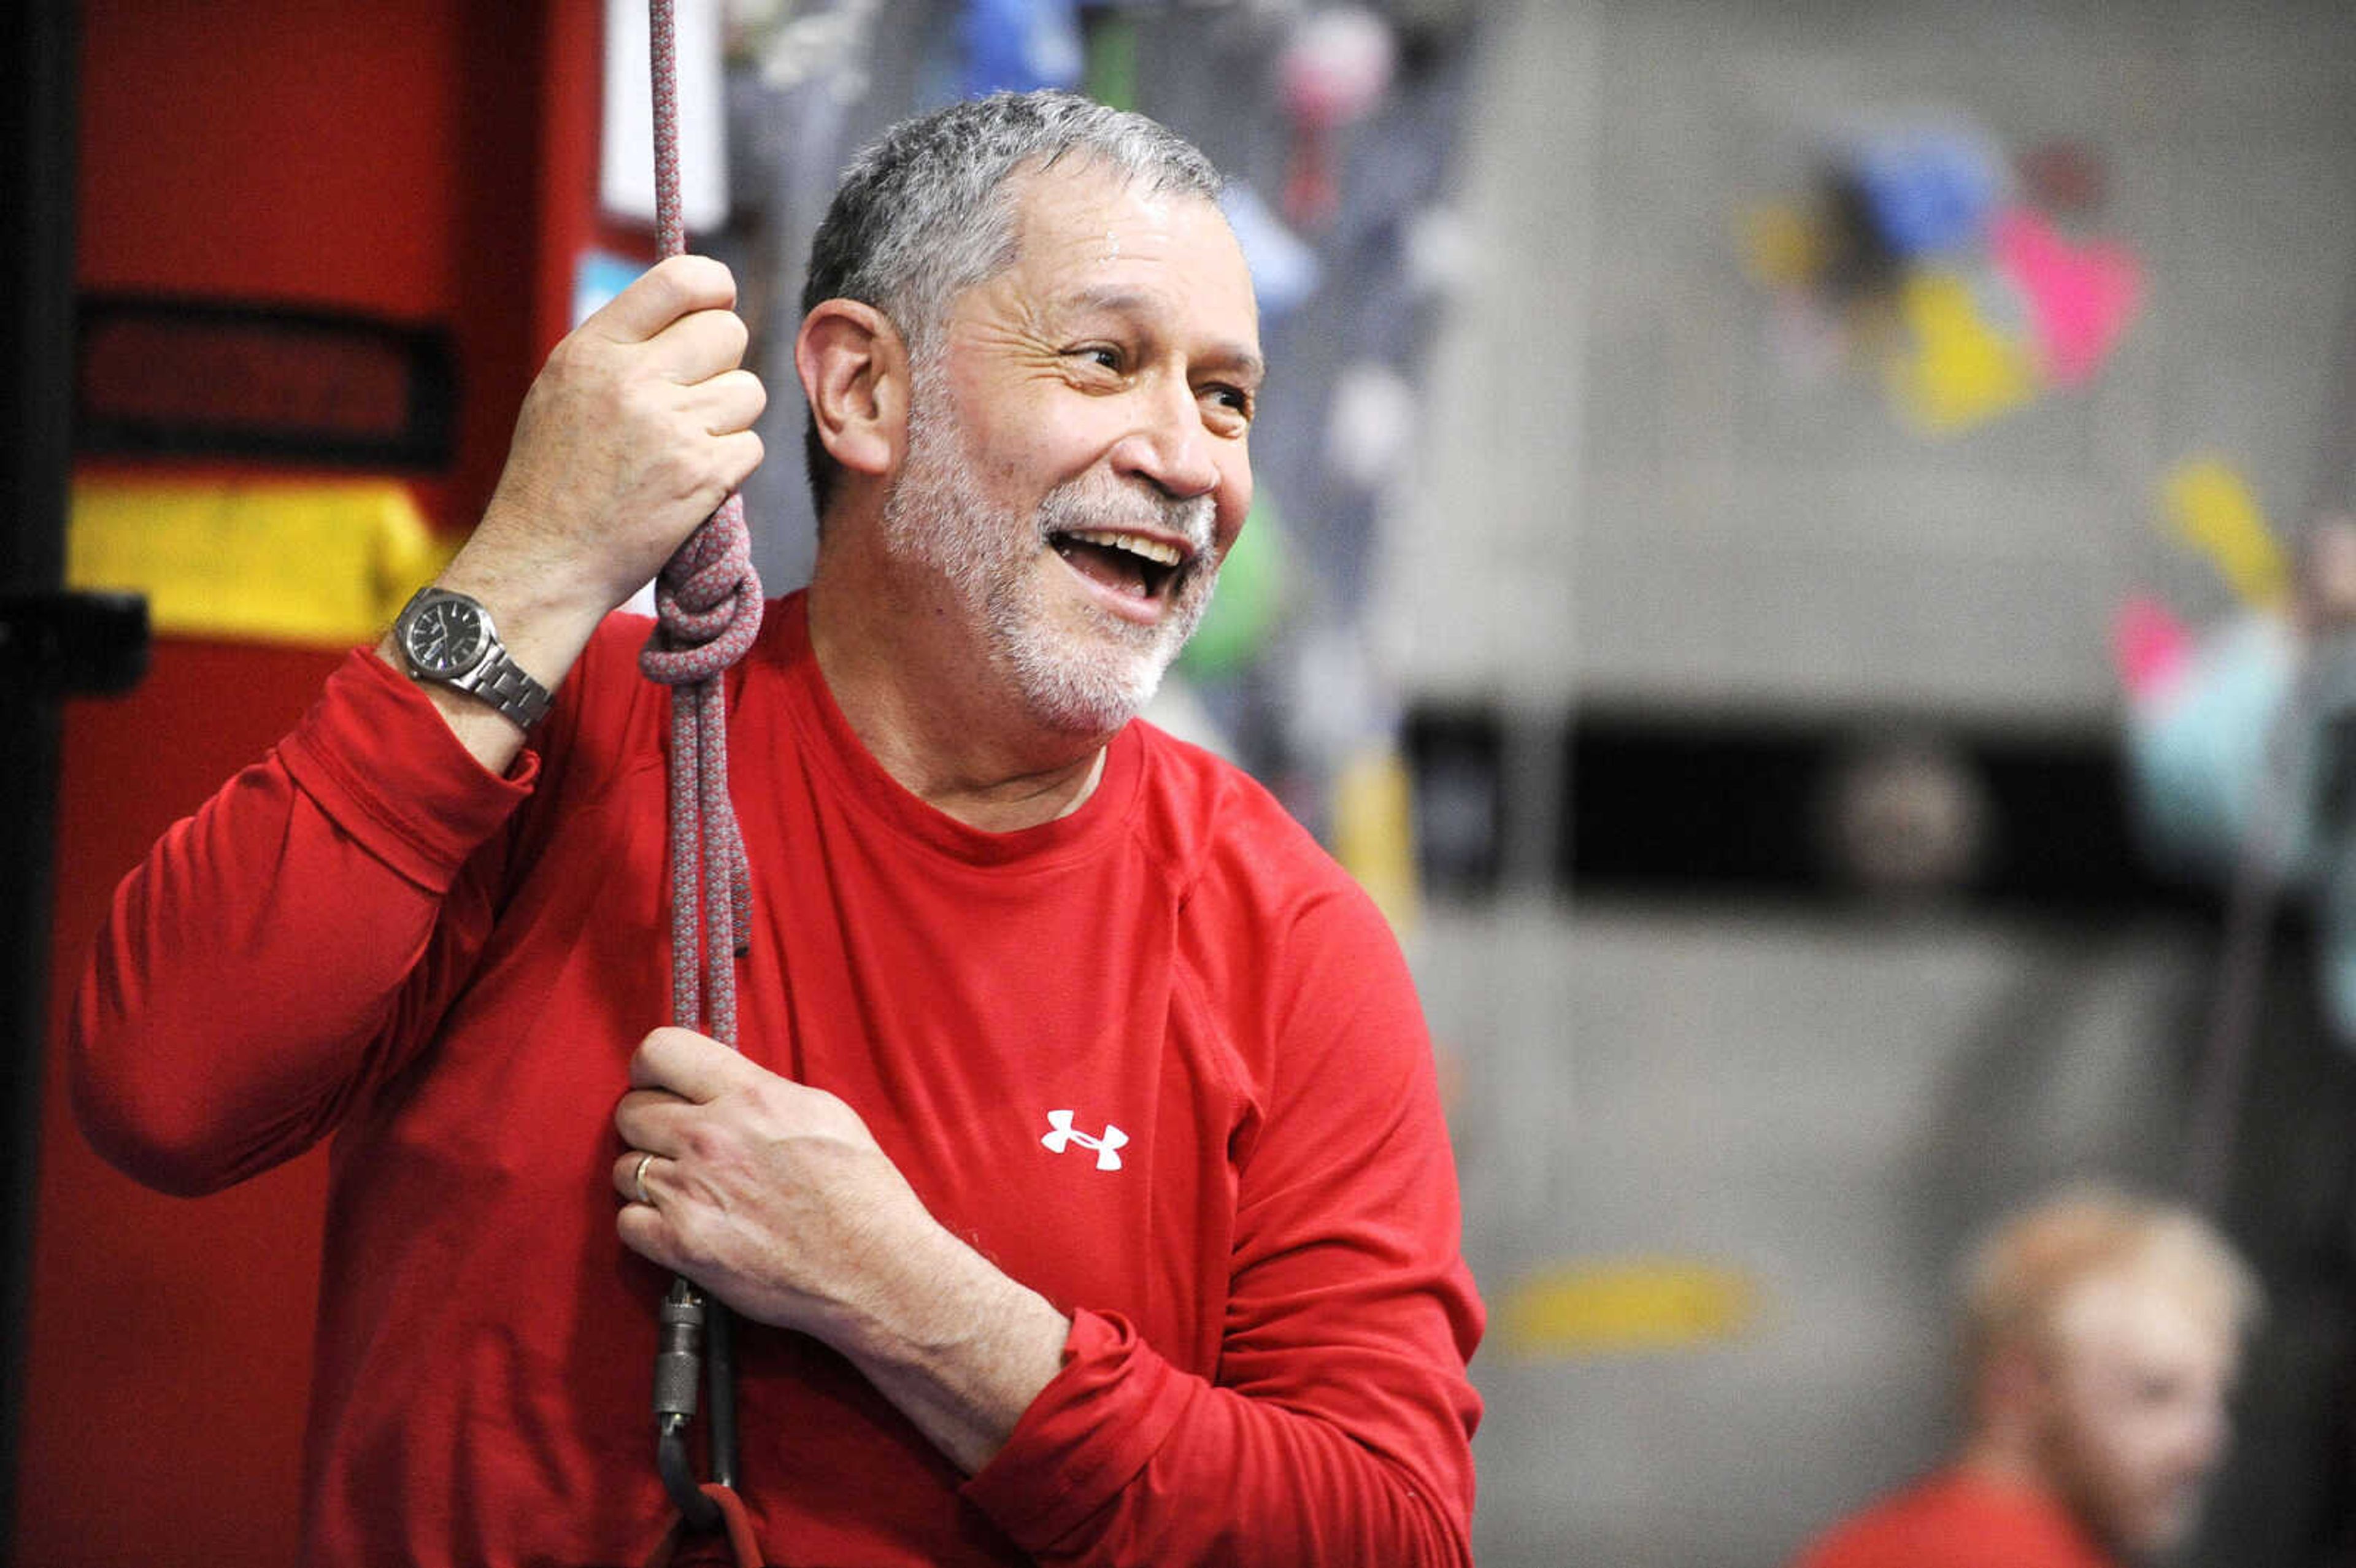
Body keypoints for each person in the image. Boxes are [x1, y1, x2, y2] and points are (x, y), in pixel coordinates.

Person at [69, 91, 1482, 1567]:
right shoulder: (569, 745)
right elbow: (167, 1086)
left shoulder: (1290, 946)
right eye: (1106, 361)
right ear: (862, 391)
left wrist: (911, 1299)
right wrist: (537, 559)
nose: (1188, 459)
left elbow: (1385, 1532)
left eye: (1226, 398)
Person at [1792, 1186, 2259, 1568]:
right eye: (2156, 1394)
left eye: (2215, 1399)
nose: (2205, 1445)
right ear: (2016, 1389)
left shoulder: (1871, 1542)